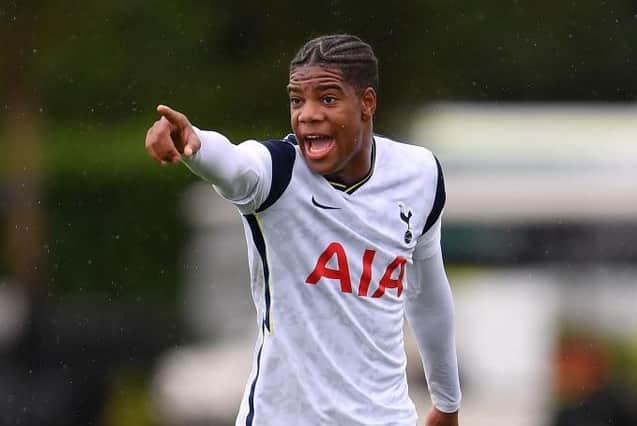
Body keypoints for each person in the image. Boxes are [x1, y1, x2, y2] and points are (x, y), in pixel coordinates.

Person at [145, 34, 461, 426]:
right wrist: (194, 143)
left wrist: (447, 403)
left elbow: (428, 294)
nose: (307, 114)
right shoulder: (277, 173)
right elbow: (236, 164)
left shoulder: (420, 174)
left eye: (327, 98)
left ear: (367, 103)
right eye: (297, 100)